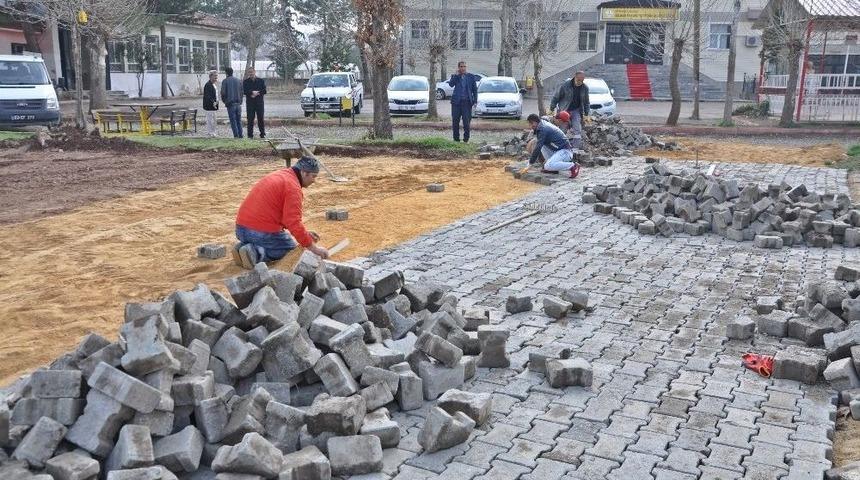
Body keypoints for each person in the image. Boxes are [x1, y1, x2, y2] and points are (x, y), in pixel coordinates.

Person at [233, 156, 330, 269]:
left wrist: (305, 234)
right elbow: (292, 222)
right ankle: (256, 252)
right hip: (259, 232)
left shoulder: (281, 175)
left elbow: (283, 218)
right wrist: (314, 248)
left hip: (241, 229)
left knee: (286, 243)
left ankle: (243, 247)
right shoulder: (293, 188)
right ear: (304, 173)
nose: (314, 180)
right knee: (292, 253)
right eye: (313, 176)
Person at [527, 113, 580, 179]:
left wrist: (530, 163)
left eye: (531, 124)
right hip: (557, 150)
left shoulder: (543, 128)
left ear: (535, 122)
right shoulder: (541, 124)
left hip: (565, 151)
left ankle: (573, 166)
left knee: (548, 165)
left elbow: (538, 147)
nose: (530, 126)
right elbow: (539, 144)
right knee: (541, 144)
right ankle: (553, 168)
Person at [550, 71, 590, 148]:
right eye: (578, 80)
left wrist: (586, 114)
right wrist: (552, 108)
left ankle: (575, 148)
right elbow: (556, 97)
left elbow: (586, 102)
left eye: (582, 81)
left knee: (577, 129)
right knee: (563, 128)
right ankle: (559, 146)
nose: (580, 82)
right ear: (575, 77)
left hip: (576, 110)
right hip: (565, 110)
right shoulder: (566, 85)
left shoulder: (585, 88)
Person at [447, 61, 478, 143]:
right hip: (456, 103)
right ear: (458, 67)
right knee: (455, 121)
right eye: (461, 66)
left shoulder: (471, 76)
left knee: (466, 122)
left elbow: (475, 90)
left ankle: (466, 139)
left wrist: (475, 101)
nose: (463, 68)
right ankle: (456, 139)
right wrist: (456, 75)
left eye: (464, 66)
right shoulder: (455, 76)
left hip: (467, 103)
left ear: (466, 67)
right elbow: (451, 84)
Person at [243, 67, 267, 139]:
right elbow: (244, 91)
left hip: (259, 103)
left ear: (254, 72)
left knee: (260, 119)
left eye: (252, 72)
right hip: (250, 103)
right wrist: (251, 92)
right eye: (249, 72)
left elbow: (264, 91)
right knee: (250, 119)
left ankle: (262, 134)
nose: (251, 73)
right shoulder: (245, 82)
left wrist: (257, 93)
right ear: (248, 73)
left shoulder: (261, 81)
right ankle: (250, 135)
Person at [220, 67, 243, 138]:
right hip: (238, 104)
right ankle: (241, 135)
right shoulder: (238, 81)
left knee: (233, 121)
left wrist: (225, 101)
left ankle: (236, 136)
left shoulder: (225, 81)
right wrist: (240, 101)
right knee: (239, 120)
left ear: (226, 73)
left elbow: (223, 93)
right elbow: (242, 92)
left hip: (230, 104)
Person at [202, 71, 219, 137]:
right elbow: (208, 96)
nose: (216, 77)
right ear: (210, 76)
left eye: (216, 76)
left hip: (214, 105)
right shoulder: (208, 85)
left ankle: (213, 132)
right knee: (210, 120)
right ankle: (210, 133)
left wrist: (217, 102)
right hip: (209, 106)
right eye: (215, 76)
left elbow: (216, 95)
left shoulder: (214, 85)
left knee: (214, 120)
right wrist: (213, 102)